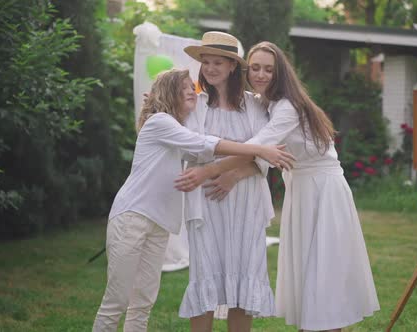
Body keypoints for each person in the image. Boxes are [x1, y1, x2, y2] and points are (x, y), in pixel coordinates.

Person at [177, 41, 380, 332]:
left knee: (324, 266)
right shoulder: (265, 104)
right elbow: (262, 153)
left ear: (279, 72)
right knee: (307, 267)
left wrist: (212, 170)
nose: (260, 74)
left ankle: (328, 324)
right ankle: (313, 324)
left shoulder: (285, 106)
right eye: (256, 68)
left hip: (323, 188)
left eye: (268, 69)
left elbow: (257, 146)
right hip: (299, 187)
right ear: (247, 70)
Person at [92, 68, 294, 332]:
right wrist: (259, 148)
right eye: (186, 87)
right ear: (170, 93)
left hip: (160, 223)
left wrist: (241, 167)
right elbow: (205, 144)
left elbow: (205, 151)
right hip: (133, 216)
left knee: (142, 302)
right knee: (116, 300)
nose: (193, 91)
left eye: (193, 87)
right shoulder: (160, 122)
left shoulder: (176, 124)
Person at [176, 31, 277, 332]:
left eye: (218, 62)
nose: (210, 68)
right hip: (207, 202)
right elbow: (190, 148)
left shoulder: (255, 106)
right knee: (204, 275)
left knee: (244, 279)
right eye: (206, 62)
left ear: (233, 66)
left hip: (247, 202)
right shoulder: (197, 105)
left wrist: (231, 175)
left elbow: (266, 155)